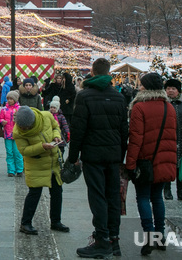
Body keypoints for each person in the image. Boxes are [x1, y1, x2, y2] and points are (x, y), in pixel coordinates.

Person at [68, 57, 129, 259]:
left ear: (93, 72)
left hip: (93, 155)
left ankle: (101, 240)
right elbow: (124, 130)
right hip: (112, 155)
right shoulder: (119, 97)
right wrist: (121, 155)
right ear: (109, 72)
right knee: (112, 196)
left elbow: (78, 129)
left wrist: (73, 156)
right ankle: (114, 240)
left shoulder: (84, 96)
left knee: (97, 197)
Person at [125, 72, 177, 256]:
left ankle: (148, 236)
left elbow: (136, 140)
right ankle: (160, 236)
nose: (139, 87)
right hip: (164, 161)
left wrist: (130, 164)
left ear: (146, 87)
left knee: (143, 198)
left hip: (145, 162)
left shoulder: (139, 107)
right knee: (157, 198)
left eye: (141, 84)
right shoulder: (168, 107)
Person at [14, 106, 70, 236]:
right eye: (22, 127)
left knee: (57, 191)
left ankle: (56, 221)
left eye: (26, 127)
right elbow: (24, 151)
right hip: (36, 164)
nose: (24, 129)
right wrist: (42, 147)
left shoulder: (46, 116)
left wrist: (56, 136)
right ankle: (25, 223)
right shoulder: (18, 132)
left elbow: (56, 127)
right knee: (34, 192)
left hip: (53, 161)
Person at [0, 90, 23, 177]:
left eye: (11, 99)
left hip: (17, 135)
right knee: (9, 152)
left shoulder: (19, 109)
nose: (9, 100)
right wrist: (2, 121)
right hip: (7, 134)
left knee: (17, 152)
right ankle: (11, 170)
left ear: (15, 99)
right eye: (8, 99)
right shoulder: (4, 110)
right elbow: (0, 118)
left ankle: (19, 169)